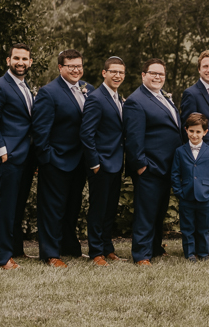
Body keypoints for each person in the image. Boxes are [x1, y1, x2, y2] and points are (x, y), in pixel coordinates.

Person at [32, 49, 94, 267]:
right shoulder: (49, 93)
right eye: (71, 66)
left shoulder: (89, 89)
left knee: (72, 207)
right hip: (56, 160)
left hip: (79, 161)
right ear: (60, 68)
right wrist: (47, 158)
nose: (76, 70)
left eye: (79, 66)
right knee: (52, 209)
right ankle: (50, 253)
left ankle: (70, 248)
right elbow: (40, 132)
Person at [124, 58, 183, 266]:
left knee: (158, 212)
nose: (158, 77)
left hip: (166, 166)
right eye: (153, 73)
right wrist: (141, 166)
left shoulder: (162, 97)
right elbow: (133, 138)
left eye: (161, 74)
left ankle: (155, 248)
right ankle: (141, 255)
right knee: (146, 213)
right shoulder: (136, 100)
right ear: (143, 75)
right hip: (150, 167)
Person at [0, 43, 36, 269]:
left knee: (17, 206)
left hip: (26, 157)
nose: (21, 63)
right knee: (5, 207)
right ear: (8, 60)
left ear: (30, 62)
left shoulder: (26, 88)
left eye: (25, 59)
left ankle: (16, 250)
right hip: (8, 157)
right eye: (17, 58)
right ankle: (3, 257)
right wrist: (2, 151)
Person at [80, 56, 127, 266]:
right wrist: (94, 163)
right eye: (113, 71)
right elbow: (86, 133)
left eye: (121, 72)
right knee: (98, 209)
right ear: (104, 73)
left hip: (116, 163)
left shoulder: (118, 98)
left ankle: (107, 248)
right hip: (100, 164)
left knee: (109, 209)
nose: (117, 75)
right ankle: (96, 251)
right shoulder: (96, 98)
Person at [180, 49, 209, 258]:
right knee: (197, 201)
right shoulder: (191, 93)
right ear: (199, 69)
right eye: (205, 66)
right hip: (199, 157)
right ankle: (197, 247)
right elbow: (187, 125)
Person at [171, 113, 209, 262]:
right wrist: (179, 192)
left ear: (205, 132)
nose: (194, 135)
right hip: (186, 195)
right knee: (187, 228)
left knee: (203, 228)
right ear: (186, 130)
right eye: (191, 131)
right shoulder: (180, 151)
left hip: (206, 196)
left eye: (198, 132)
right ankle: (190, 253)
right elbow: (175, 174)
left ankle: (203, 253)